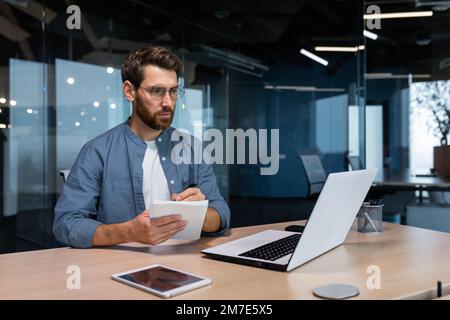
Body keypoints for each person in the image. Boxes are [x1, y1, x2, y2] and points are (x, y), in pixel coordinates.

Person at [53, 47, 230, 248]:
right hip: (119, 267)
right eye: (156, 91)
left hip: (183, 261)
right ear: (130, 91)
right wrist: (128, 232)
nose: (168, 103)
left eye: (173, 91)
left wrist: (201, 215)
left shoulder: (191, 148)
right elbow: (66, 223)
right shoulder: (97, 151)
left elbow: (221, 212)